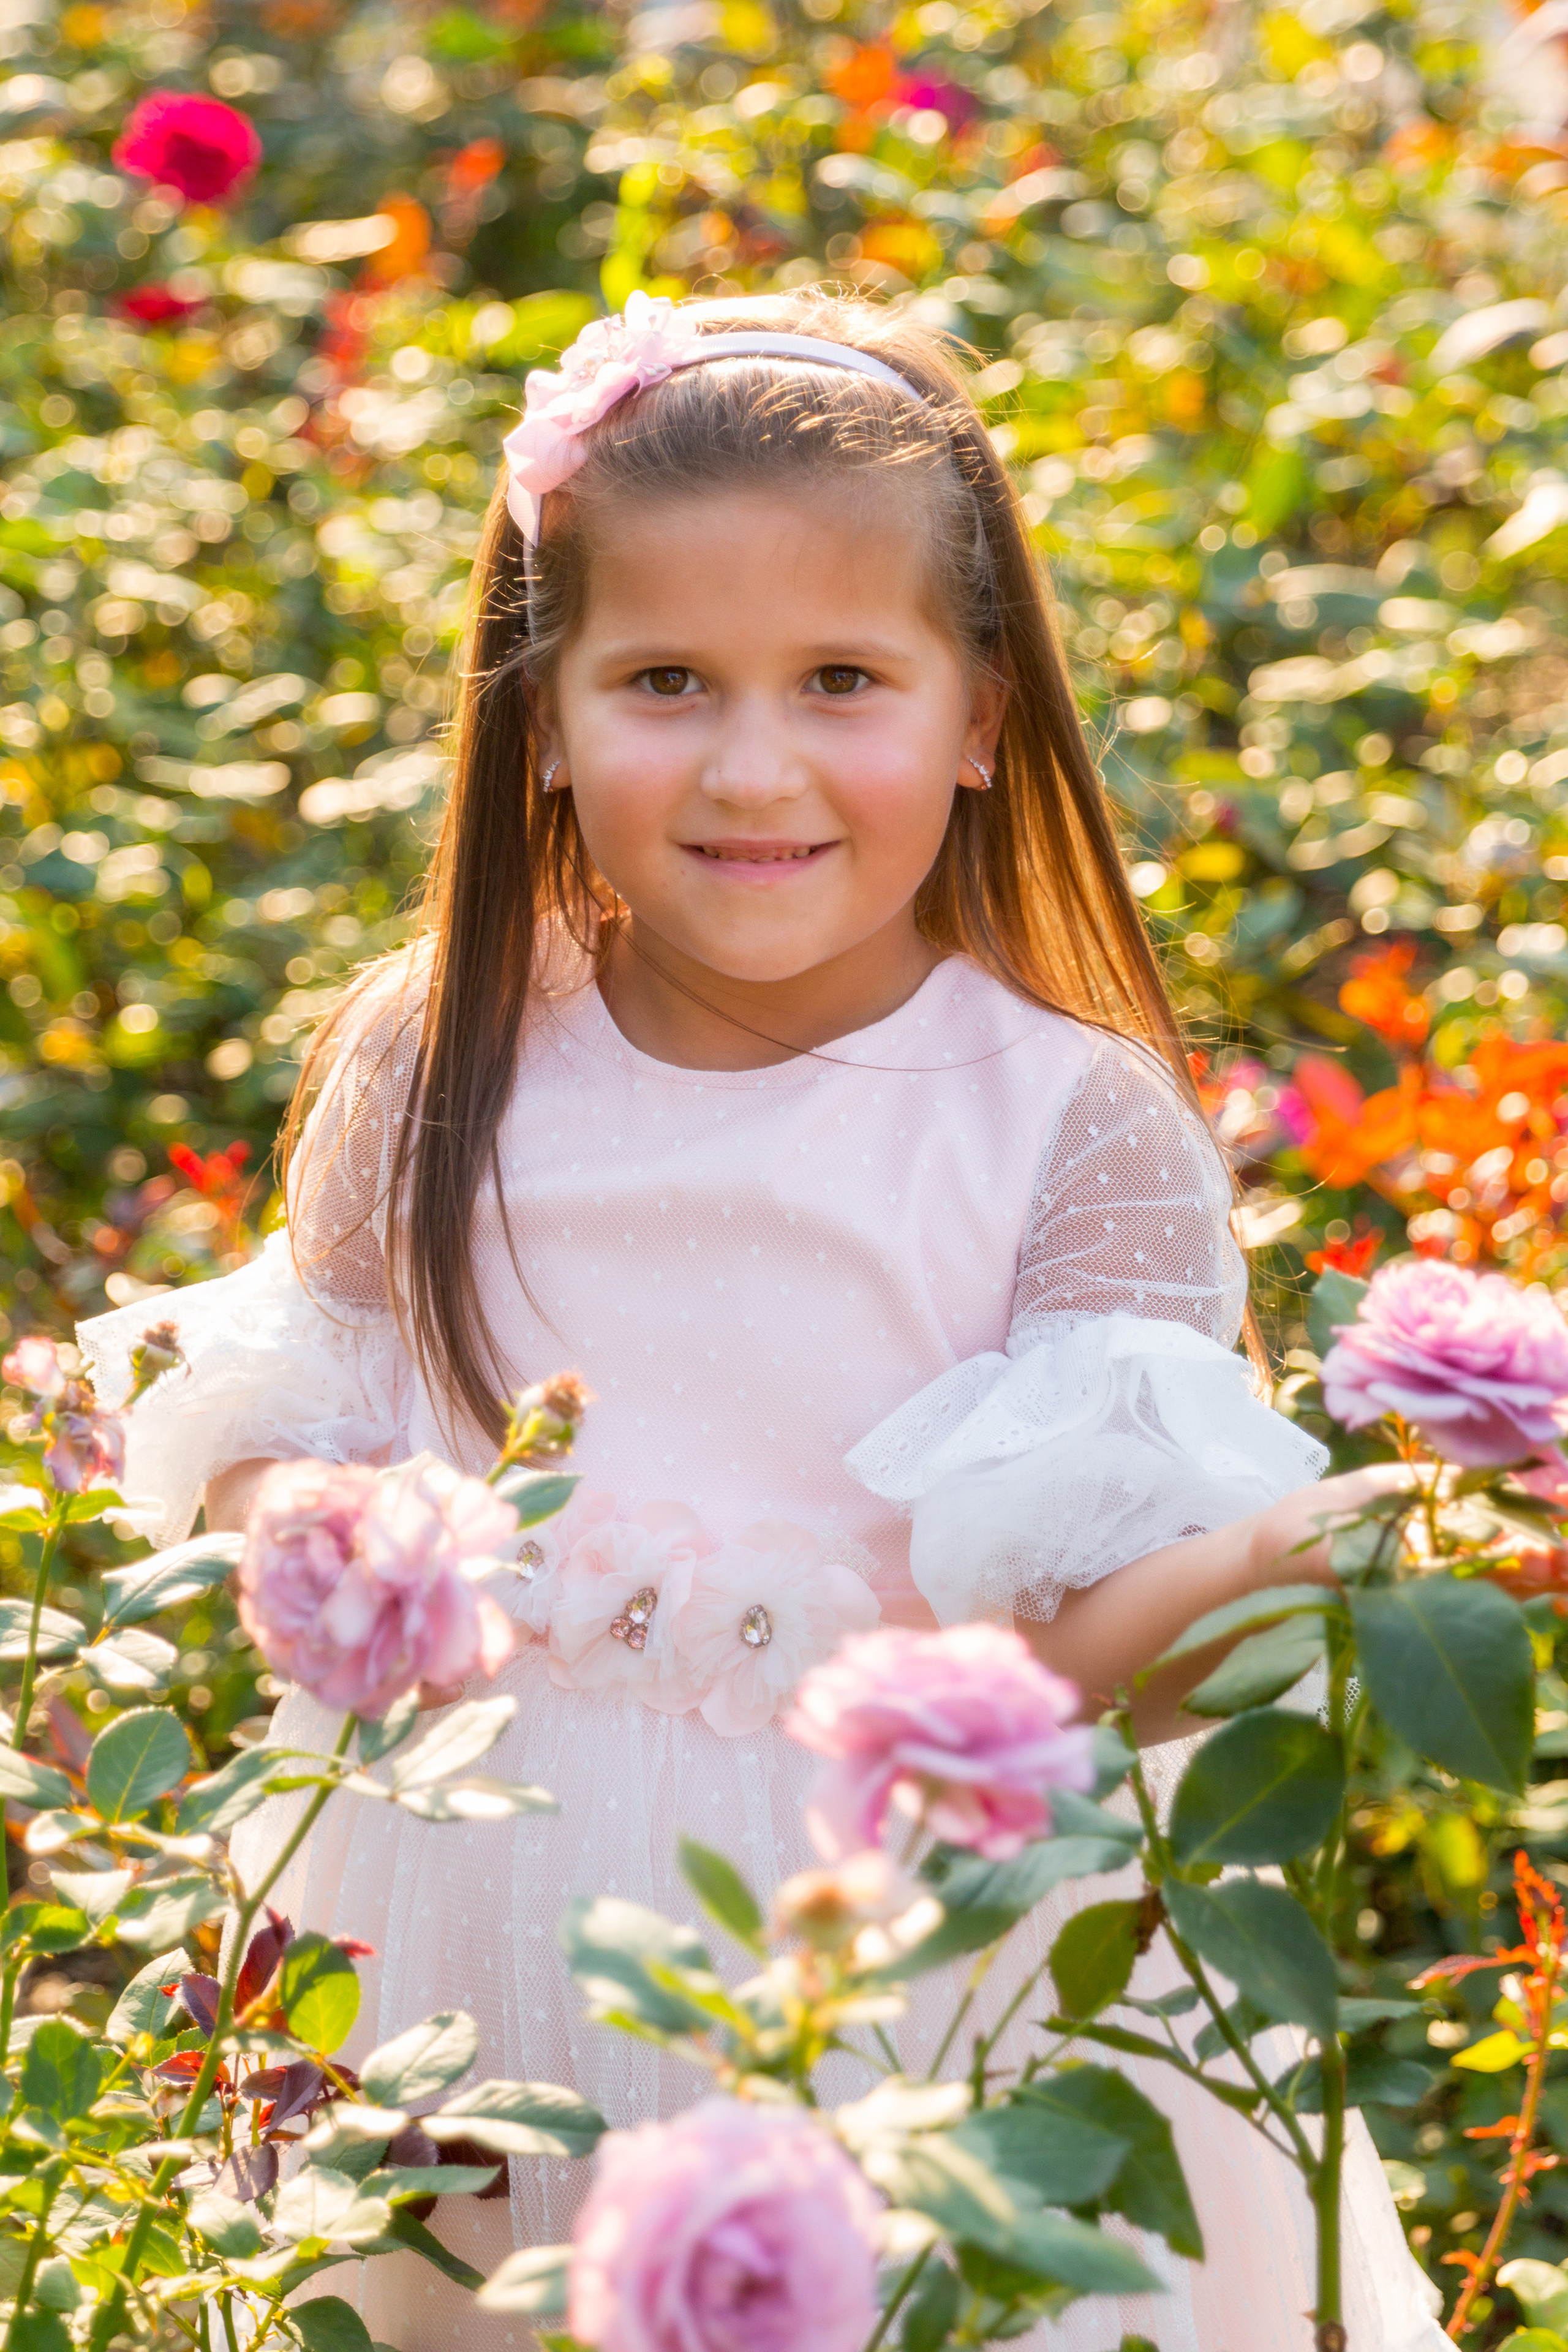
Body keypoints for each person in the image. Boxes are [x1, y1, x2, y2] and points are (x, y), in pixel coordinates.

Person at [80, 289, 1445, 2350]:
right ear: (541, 710)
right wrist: (321, 1530)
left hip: (887, 1967)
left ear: (981, 713)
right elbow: (307, 1407)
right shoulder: (443, 1054)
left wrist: (1270, 1572)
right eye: (661, 680)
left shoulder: (1065, 1127)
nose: (751, 765)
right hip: (451, 1919)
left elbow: (1079, 1656)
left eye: (839, 680)